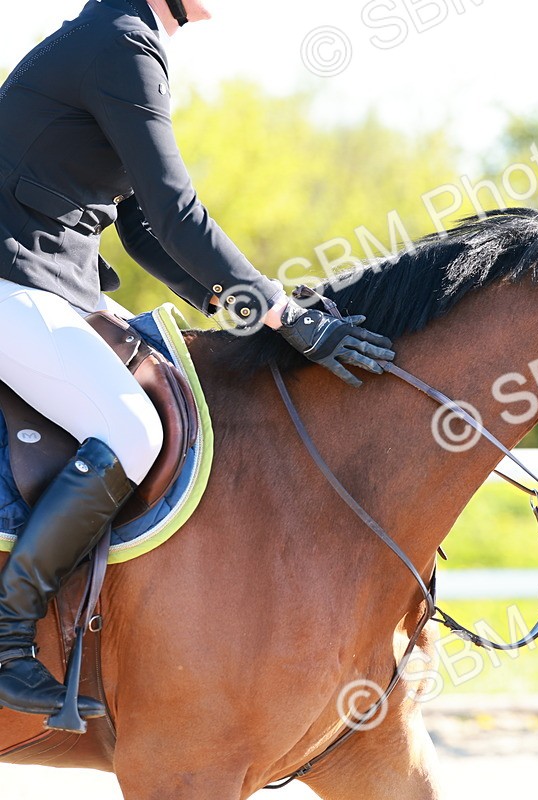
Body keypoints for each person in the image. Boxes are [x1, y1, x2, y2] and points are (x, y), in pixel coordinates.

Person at [0, 0, 395, 724]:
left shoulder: (121, 38)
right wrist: (287, 314)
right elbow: (176, 211)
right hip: (13, 282)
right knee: (133, 431)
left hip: (47, 281)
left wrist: (255, 314)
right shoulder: (120, 42)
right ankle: (6, 634)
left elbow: (145, 229)